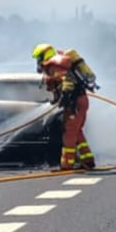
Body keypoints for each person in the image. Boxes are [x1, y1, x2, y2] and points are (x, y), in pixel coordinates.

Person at [33, 43, 98, 171]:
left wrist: (66, 94)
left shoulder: (56, 65)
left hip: (76, 102)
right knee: (77, 131)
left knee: (69, 133)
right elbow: (59, 85)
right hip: (79, 101)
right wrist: (57, 99)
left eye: (39, 58)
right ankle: (88, 160)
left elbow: (67, 81)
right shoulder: (54, 66)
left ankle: (67, 165)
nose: (38, 62)